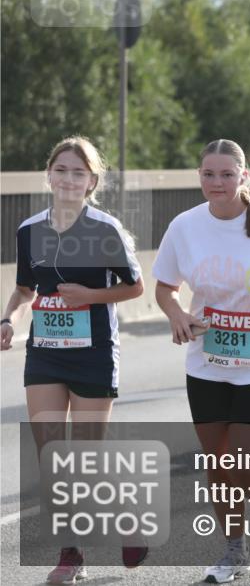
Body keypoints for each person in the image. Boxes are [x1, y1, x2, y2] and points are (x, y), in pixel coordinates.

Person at [152, 139, 250, 583]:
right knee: (219, 463)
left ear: (245, 176)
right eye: (208, 174)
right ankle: (232, 551)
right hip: (207, 362)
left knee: (242, 460)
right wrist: (178, 313)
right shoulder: (185, 226)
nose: (217, 183)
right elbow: (164, 287)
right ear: (199, 177)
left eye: (226, 174)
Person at [1, 137, 145, 584]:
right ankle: (72, 555)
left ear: (91, 182)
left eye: (77, 172)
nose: (68, 178)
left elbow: (135, 287)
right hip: (45, 352)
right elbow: (27, 289)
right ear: (49, 175)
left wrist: (91, 297)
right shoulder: (30, 230)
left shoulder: (105, 229)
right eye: (61, 170)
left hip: (95, 354)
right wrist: (7, 317)